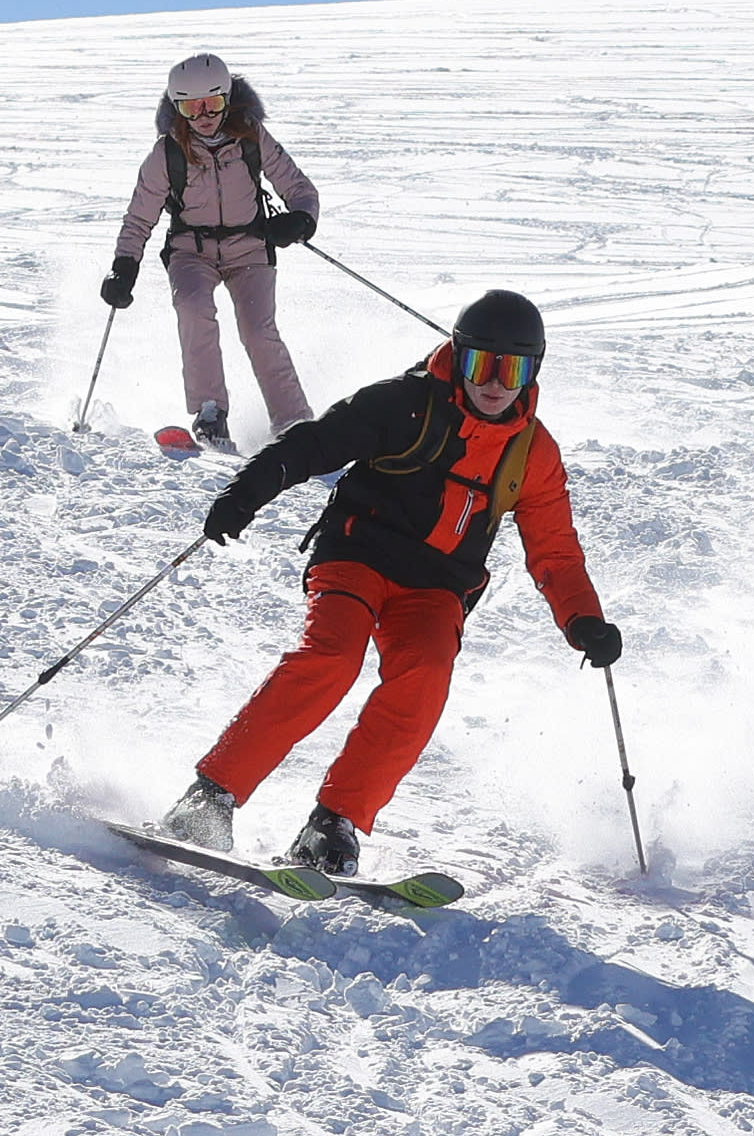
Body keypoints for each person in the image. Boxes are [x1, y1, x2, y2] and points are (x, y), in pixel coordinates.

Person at [159, 286, 615, 878]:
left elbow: (555, 551)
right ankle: (211, 796)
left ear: (533, 371)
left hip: (437, 587)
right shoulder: (407, 404)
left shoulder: (533, 453)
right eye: (482, 363)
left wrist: (583, 620)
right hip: (358, 554)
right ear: (460, 355)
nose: (494, 383)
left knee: (425, 676)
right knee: (331, 656)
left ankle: (334, 823)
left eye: (512, 369)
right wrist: (247, 493)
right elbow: (314, 443)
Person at [99, 51, 322, 445]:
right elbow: (138, 218)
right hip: (192, 251)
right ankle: (210, 413)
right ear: (177, 109)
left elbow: (298, 187)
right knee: (193, 309)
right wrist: (124, 266)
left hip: (250, 248)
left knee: (258, 330)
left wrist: (301, 219)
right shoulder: (167, 153)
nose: (203, 116)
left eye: (212, 104)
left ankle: (294, 422)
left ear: (227, 99)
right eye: (191, 107)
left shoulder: (251, 137)